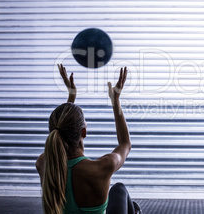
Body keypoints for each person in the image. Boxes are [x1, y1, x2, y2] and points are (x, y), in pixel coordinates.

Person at [36, 65, 141, 214]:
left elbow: (61, 128)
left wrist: (71, 96)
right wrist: (115, 100)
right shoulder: (101, 168)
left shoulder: (44, 165)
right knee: (119, 190)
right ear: (83, 132)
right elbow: (125, 144)